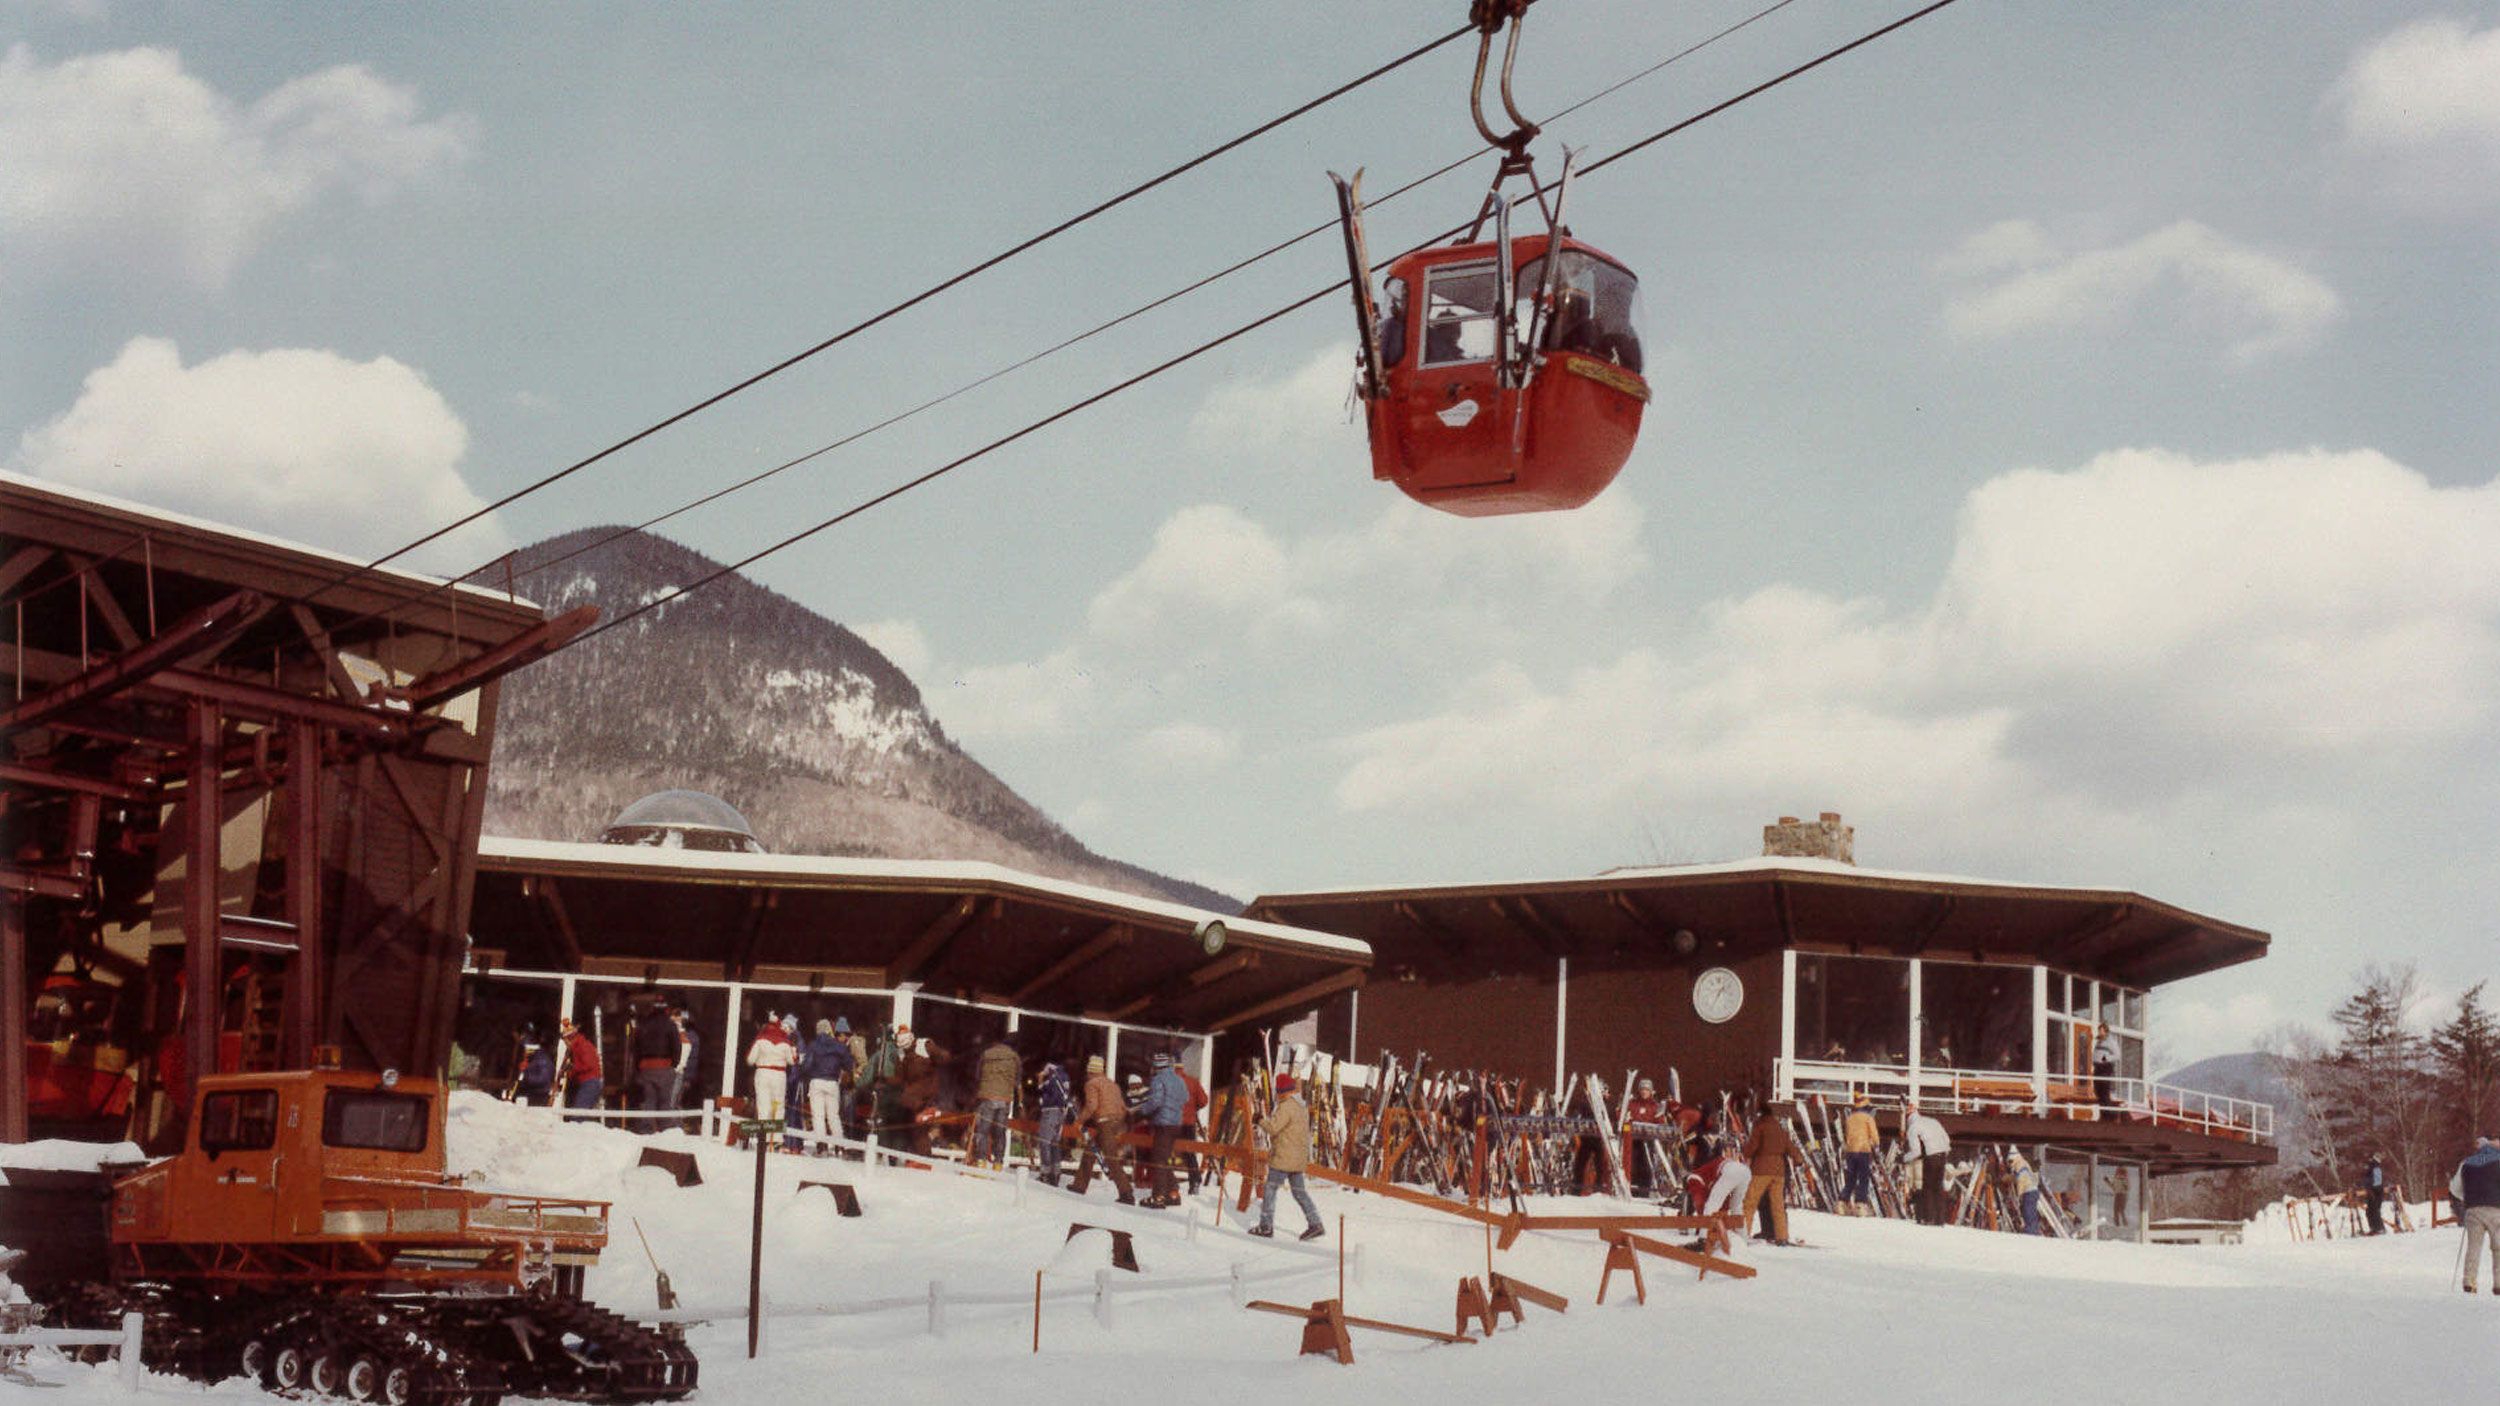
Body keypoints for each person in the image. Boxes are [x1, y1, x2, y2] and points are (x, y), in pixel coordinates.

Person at [1251, 1073, 1325, 1241]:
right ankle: (1315, 1223)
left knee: (1270, 1189)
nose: (1277, 1095)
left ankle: (1265, 1226)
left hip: (1283, 1157)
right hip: (1298, 1159)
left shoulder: (1286, 1106)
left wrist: (1260, 1120)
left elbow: (1274, 1128)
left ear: (1283, 1091)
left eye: (1278, 1091)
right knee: (1300, 1192)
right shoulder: (1301, 1106)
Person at [1739, 1105, 1802, 1245]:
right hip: (1779, 1172)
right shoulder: (1781, 1130)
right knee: (1778, 1205)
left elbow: (1751, 1148)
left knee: (1750, 1202)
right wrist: (1799, 1160)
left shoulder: (1760, 1127)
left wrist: (1745, 1152)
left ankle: (1742, 1233)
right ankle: (1782, 1237)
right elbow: (1792, 1148)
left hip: (1761, 1170)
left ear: (1761, 1115)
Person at [1077, 1054, 1135, 1204]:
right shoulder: (1112, 1084)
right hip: (1117, 1122)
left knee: (1111, 1158)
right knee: (1090, 1151)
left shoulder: (1091, 1084)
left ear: (1090, 1071)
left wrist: (1079, 1120)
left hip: (1104, 1122)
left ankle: (1126, 1192)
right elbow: (1123, 1107)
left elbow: (1092, 1106)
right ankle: (1079, 1185)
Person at [2450, 1134, 2500, 1294]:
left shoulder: (2466, 1163)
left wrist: (2469, 1197)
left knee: (2473, 1247)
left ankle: (2469, 1281)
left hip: (2473, 1210)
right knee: (2498, 1248)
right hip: (2496, 1209)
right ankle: (2499, 1283)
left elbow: (2455, 1188)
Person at [1137, 1052, 1188, 1207]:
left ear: (1157, 1066)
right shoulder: (1179, 1080)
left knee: (1158, 1160)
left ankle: (1158, 1197)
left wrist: (1142, 1110)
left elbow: (1156, 1102)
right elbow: (1186, 1098)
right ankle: (1173, 1193)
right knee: (1163, 1158)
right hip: (1176, 1124)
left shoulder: (1158, 1080)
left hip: (1163, 1124)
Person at [800, 1019, 852, 1153]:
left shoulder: (813, 1045)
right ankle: (839, 1144)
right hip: (832, 1082)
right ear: (830, 1030)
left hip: (816, 1081)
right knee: (833, 1115)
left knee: (818, 1115)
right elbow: (848, 1064)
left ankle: (821, 1144)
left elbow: (807, 1065)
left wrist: (805, 1074)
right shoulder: (839, 1046)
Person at [629, 1000, 680, 1128]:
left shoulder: (643, 1025)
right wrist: (673, 1064)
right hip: (665, 1066)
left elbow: (635, 1049)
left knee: (648, 1102)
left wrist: (637, 1068)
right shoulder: (671, 1025)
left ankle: (646, 1130)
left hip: (646, 1068)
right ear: (666, 1009)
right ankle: (665, 1130)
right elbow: (677, 1048)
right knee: (664, 1102)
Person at [973, 1034, 1020, 1167]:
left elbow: (977, 1075)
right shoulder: (1015, 1057)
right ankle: (998, 1162)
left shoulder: (986, 1054)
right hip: (1005, 1099)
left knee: (983, 1130)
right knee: (1000, 1131)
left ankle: (981, 1161)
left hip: (987, 1096)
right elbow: (1017, 1081)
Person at [1902, 1101, 1952, 1226]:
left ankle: (1928, 1217)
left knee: (1928, 1188)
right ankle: (1940, 1219)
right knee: (1938, 1187)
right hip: (1943, 1154)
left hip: (1930, 1157)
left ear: (1908, 1118)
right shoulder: (1933, 1121)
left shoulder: (1913, 1128)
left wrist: (1903, 1158)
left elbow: (1916, 1151)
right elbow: (1947, 1139)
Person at [745, 1013, 795, 1132]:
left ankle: (763, 1138)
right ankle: (776, 1137)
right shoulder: (786, 1041)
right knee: (778, 1105)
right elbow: (791, 1061)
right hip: (779, 1075)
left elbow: (750, 1060)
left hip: (762, 1073)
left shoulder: (760, 1040)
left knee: (763, 1106)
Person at [1031, 1056, 1073, 1186]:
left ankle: (1046, 1173)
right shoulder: (1064, 1077)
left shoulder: (1053, 1078)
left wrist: (1040, 1078)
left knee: (1045, 1142)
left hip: (1050, 1111)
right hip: (1061, 1113)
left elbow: (1043, 1091)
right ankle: (1056, 1173)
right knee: (1054, 1143)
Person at [1624, 1079, 1666, 1196]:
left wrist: (1659, 1118)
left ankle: (1644, 1192)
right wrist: (1625, 1121)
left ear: (1651, 1091)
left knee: (1646, 1166)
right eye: (1642, 1089)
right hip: (1633, 1141)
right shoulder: (1632, 1103)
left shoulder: (1655, 1106)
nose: (1644, 1092)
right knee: (1632, 1165)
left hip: (1648, 1141)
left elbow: (1660, 1123)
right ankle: (1631, 1190)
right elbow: (1624, 1120)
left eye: (1647, 1090)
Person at [1841, 1093, 1881, 1216]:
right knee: (1863, 1178)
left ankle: (1842, 1202)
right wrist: (1876, 1144)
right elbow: (1874, 1136)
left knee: (1851, 1178)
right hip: (1863, 1150)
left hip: (1850, 1151)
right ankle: (1860, 1204)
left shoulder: (1850, 1118)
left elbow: (1847, 1135)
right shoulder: (1868, 1118)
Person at [559, 1017, 602, 1115]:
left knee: (578, 1115)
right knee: (578, 1113)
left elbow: (588, 1065)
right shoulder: (577, 1048)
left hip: (590, 1082)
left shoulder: (583, 1046)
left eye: (565, 1040)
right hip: (585, 1082)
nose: (565, 1044)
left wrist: (572, 1068)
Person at [1179, 1062, 1210, 1194]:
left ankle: (1165, 1183)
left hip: (1172, 1123)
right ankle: (1194, 1180)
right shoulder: (1193, 1082)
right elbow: (1203, 1100)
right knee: (1190, 1153)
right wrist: (1193, 1108)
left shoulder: (1168, 1081)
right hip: (1189, 1123)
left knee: (1164, 1151)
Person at [670, 1006, 699, 1111]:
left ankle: (676, 1124)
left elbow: (691, 1058)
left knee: (672, 1103)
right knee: (675, 1102)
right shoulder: (691, 1036)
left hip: (679, 1073)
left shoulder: (686, 1037)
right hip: (683, 1074)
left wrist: (687, 1078)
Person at [515, 1029, 555, 1107]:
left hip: (539, 1096)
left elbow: (543, 1079)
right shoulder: (531, 1059)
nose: (524, 1052)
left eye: (525, 1049)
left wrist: (525, 1076)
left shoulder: (543, 1060)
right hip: (530, 1093)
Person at [2010, 1151, 2044, 1235]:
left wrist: (2019, 1194)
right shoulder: (2024, 1165)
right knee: (2031, 1212)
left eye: (2010, 1161)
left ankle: (2030, 1231)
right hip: (2033, 1191)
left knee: (2028, 1211)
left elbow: (2021, 1180)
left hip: (2028, 1192)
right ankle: (2033, 1230)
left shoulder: (2019, 1165)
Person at [2092, 1026, 2121, 1112]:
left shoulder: (2111, 1042)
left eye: (2101, 1031)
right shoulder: (2098, 1042)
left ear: (2106, 1032)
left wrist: (2106, 1058)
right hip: (2097, 1067)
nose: (2099, 1032)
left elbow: (2117, 1055)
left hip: (2105, 1067)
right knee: (2097, 1090)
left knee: (2104, 1090)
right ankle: (2103, 1112)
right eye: (2099, 1031)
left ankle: (2109, 1114)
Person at [2364, 1153, 2387, 1234]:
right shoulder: (2375, 1166)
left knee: (2371, 1210)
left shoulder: (2371, 1166)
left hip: (2372, 1190)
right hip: (2376, 1190)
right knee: (2374, 1210)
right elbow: (2377, 1181)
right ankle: (2378, 1228)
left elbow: (2369, 1179)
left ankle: (2375, 1228)